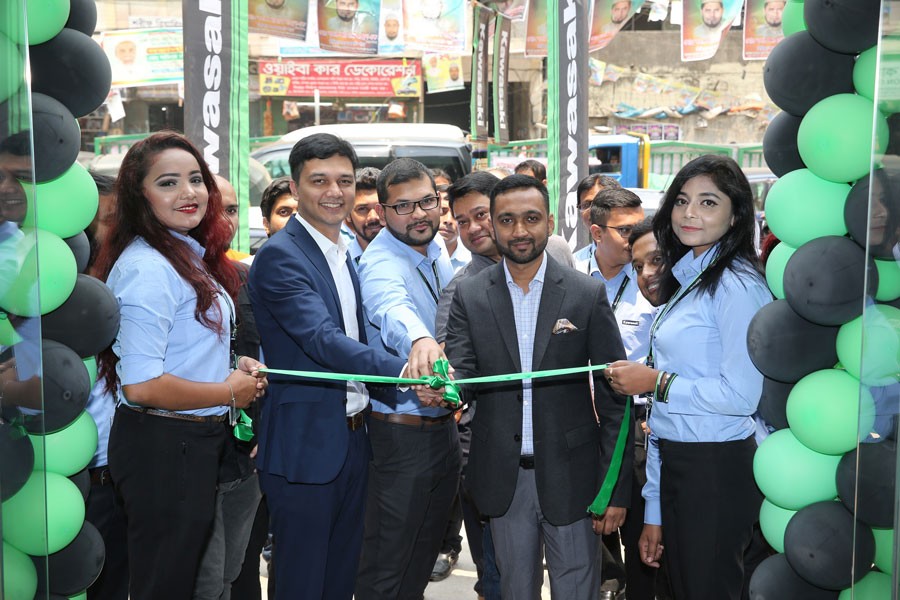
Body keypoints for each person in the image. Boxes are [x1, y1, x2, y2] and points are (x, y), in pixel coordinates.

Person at [248, 134, 439, 600]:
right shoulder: (280, 256)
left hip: (354, 439)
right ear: (295, 187)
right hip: (305, 447)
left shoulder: (345, 251)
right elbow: (322, 340)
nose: (335, 192)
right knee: (302, 583)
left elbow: (357, 335)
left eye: (345, 181)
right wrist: (405, 373)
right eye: (320, 181)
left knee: (340, 581)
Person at [95, 131, 268, 600]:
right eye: (168, 182)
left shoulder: (185, 252)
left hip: (191, 443)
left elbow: (183, 350)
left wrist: (230, 367)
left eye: (196, 179)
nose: (188, 192)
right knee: (165, 585)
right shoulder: (149, 267)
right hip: (165, 446)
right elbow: (141, 386)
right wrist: (228, 391)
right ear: (139, 195)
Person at [444, 174, 632, 600]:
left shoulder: (585, 293)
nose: (520, 231)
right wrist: (441, 388)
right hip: (503, 480)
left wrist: (614, 488)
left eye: (531, 218)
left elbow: (615, 397)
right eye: (507, 220)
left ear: (549, 222)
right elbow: (462, 378)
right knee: (515, 590)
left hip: (574, 477)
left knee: (578, 591)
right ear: (493, 225)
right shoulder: (470, 295)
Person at [605, 155, 772, 600]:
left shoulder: (737, 285)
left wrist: (654, 382)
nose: (689, 213)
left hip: (716, 466)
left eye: (708, 202)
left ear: (736, 215)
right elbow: (666, 419)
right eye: (681, 201)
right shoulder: (690, 278)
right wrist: (654, 511)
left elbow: (741, 395)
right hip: (679, 461)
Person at [355, 158, 461, 600]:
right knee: (387, 571)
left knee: (419, 566)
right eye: (403, 206)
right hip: (401, 438)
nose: (418, 214)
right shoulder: (380, 262)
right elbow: (390, 307)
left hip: (442, 430)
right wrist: (420, 340)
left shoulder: (436, 251)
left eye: (426, 202)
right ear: (383, 211)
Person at [576, 188, 654, 600]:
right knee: (591, 541)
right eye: (625, 230)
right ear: (596, 232)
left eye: (639, 227)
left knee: (640, 534)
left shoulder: (653, 278)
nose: (634, 237)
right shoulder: (567, 275)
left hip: (637, 426)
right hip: (582, 426)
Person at [193, 177, 264, 600]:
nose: (225, 220)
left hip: (246, 459)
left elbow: (264, 355)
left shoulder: (246, 277)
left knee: (231, 574)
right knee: (204, 582)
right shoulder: (166, 276)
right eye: (216, 208)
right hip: (195, 457)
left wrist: (264, 426)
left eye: (233, 210)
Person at [84, 173, 129, 600]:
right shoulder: (45, 293)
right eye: (108, 219)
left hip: (126, 480)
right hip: (73, 485)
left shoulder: (134, 279)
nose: (117, 230)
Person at [573, 175, 623, 262]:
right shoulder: (575, 263)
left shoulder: (637, 258)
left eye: (599, 203)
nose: (593, 210)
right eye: (586, 205)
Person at [433, 168, 470, 273]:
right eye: (442, 211)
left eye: (455, 215)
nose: (448, 220)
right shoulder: (412, 257)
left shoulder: (473, 259)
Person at [346, 167, 384, 266]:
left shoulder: (414, 255)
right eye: (362, 209)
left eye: (380, 207)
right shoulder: (339, 263)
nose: (373, 217)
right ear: (347, 214)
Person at [219, 175, 251, 262]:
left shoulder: (249, 264)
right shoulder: (183, 266)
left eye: (231, 211)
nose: (225, 221)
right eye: (214, 211)